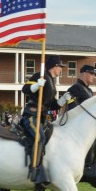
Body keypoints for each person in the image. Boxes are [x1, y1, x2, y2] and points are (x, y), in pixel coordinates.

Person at [21, 54, 71, 183]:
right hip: (32, 115)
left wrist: (62, 100)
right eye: (60, 67)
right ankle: (35, 169)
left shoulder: (52, 81)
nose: (61, 69)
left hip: (43, 117)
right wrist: (37, 85)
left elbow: (52, 105)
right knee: (40, 137)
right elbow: (25, 89)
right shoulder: (40, 76)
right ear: (54, 66)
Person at [66, 64, 96, 178]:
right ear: (84, 74)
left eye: (94, 75)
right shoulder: (75, 88)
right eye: (91, 74)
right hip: (78, 125)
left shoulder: (89, 90)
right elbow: (71, 107)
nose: (93, 77)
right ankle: (87, 166)